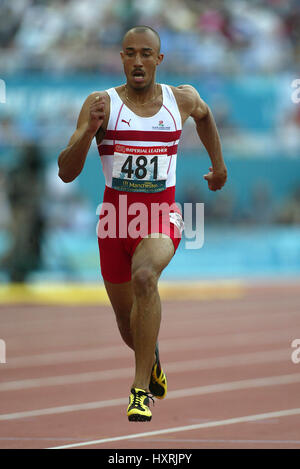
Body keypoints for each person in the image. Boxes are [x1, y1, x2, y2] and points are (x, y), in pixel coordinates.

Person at [58, 25, 227, 422]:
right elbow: (66, 171)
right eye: (130, 53)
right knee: (125, 320)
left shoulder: (180, 99)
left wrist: (218, 167)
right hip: (115, 222)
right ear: (121, 58)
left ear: (158, 59)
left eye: (146, 54)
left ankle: (138, 392)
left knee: (146, 277)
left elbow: (205, 117)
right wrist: (87, 133)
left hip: (160, 215)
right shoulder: (100, 103)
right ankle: (150, 359)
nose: (137, 61)